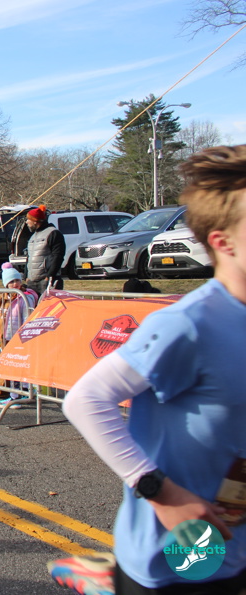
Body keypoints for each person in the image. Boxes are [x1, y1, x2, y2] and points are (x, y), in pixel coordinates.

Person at [61, 145, 246, 593]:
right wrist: (163, 494)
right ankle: (112, 579)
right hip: (184, 549)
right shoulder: (190, 323)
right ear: (224, 243)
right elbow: (86, 400)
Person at [0, 263, 38, 409]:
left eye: (17, 280)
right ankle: (18, 394)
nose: (15, 284)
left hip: (20, 338)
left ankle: (19, 395)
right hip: (7, 338)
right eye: (11, 282)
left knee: (19, 366)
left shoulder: (25, 297)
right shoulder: (4, 299)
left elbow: (28, 317)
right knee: (12, 366)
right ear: (6, 285)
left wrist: (25, 336)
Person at [23, 205, 65, 296]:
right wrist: (26, 276)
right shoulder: (33, 236)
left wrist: (49, 276)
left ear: (35, 221)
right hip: (32, 281)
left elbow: (58, 256)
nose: (26, 222)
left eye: (28, 219)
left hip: (46, 281)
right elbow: (29, 257)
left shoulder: (53, 233)